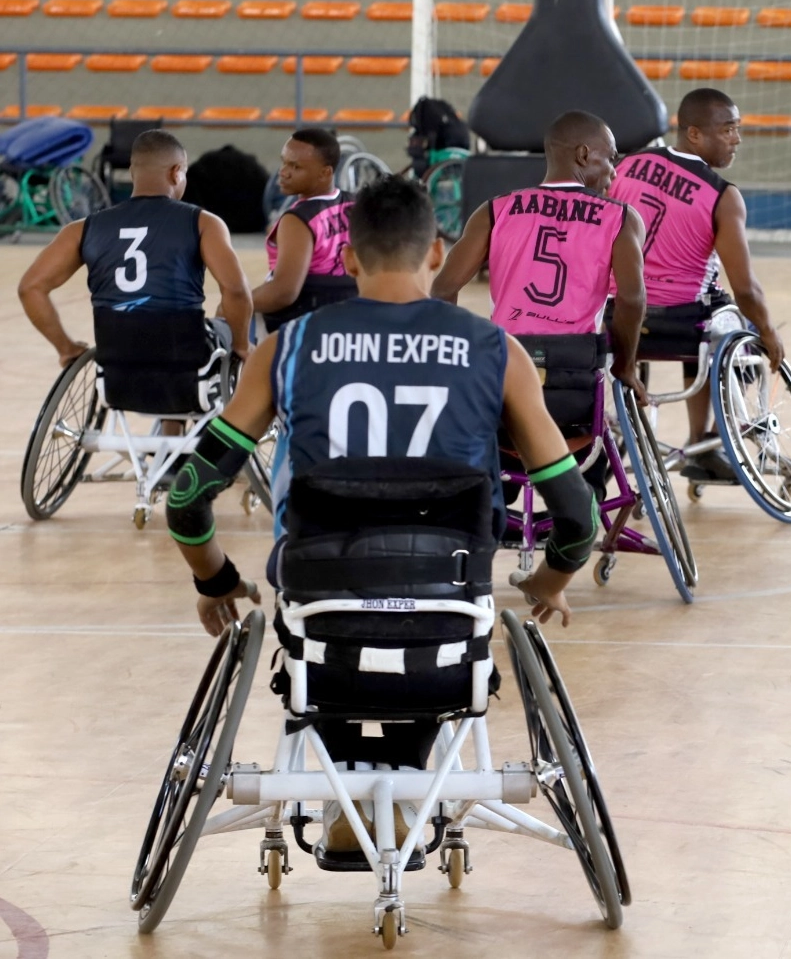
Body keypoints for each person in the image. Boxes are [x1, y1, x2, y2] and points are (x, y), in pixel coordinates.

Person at [164, 176, 598, 855]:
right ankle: (398, 784)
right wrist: (549, 580)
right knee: (432, 639)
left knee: (320, 640)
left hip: (322, 606)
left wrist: (213, 579)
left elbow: (188, 496)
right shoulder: (497, 352)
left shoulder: (289, 348)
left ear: (349, 260)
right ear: (437, 254)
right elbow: (578, 516)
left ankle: (354, 794)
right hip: (449, 607)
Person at [609, 87, 785, 481]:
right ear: (694, 134)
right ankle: (707, 443)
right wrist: (770, 333)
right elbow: (747, 289)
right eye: (728, 129)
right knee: (736, 322)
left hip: (618, 316)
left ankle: (627, 434)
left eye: (737, 129)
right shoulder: (722, 195)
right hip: (684, 324)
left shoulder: (624, 166)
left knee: (695, 319)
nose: (736, 139)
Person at [430, 110, 647, 399]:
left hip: (507, 362)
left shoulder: (495, 210)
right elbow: (631, 299)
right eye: (610, 158)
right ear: (583, 155)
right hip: (576, 369)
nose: (614, 170)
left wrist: (453, 357)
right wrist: (625, 366)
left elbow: (443, 288)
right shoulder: (621, 217)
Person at [18, 129, 252, 368]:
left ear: (132, 173)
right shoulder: (204, 223)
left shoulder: (81, 229)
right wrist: (242, 346)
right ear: (176, 172)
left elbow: (30, 288)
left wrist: (66, 348)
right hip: (183, 358)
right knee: (226, 323)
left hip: (115, 361)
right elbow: (235, 290)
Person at [252, 128, 358, 332]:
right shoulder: (356, 205)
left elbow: (284, 293)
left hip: (303, 323)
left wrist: (235, 302)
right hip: (352, 316)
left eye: (295, 166)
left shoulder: (298, 221)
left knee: (235, 308)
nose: (283, 172)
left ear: (325, 172)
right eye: (284, 162)